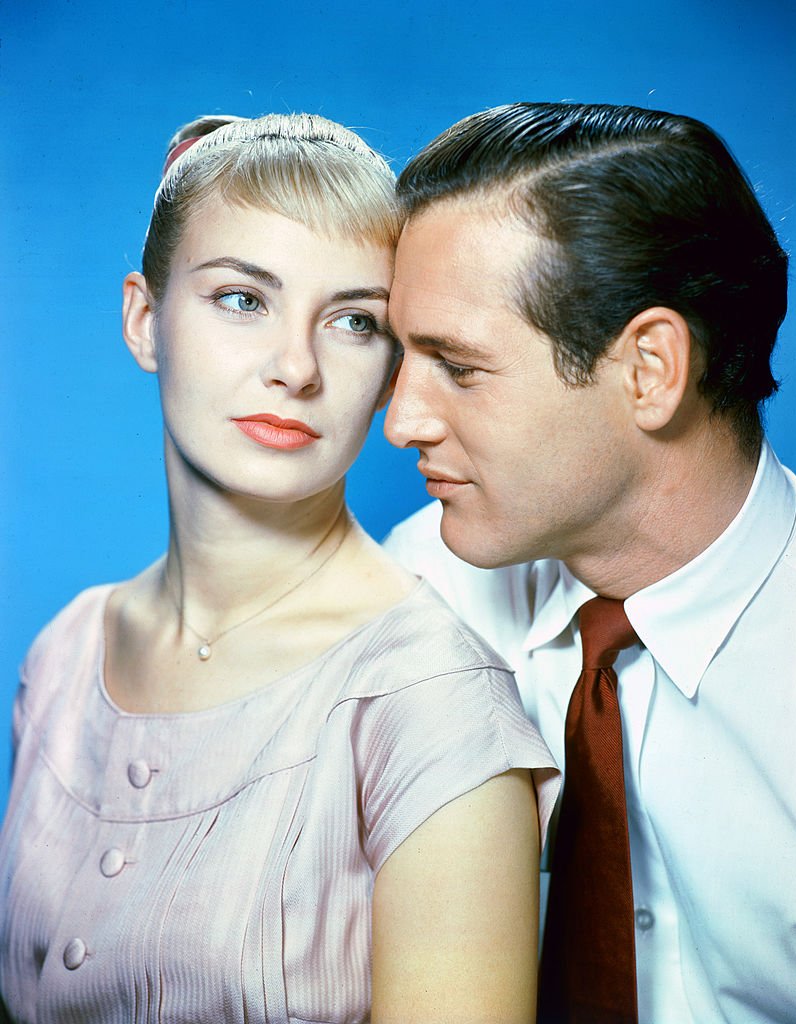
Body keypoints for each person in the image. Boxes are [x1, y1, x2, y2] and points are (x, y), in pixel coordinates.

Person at [0, 111, 560, 1024]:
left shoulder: (432, 703)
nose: (294, 368)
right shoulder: (67, 651)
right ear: (145, 319)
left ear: (389, 372)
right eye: (242, 299)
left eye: (351, 321)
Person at [383, 102, 796, 1024]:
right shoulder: (419, 588)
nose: (399, 422)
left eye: (457, 367)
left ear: (650, 369)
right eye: (399, 357)